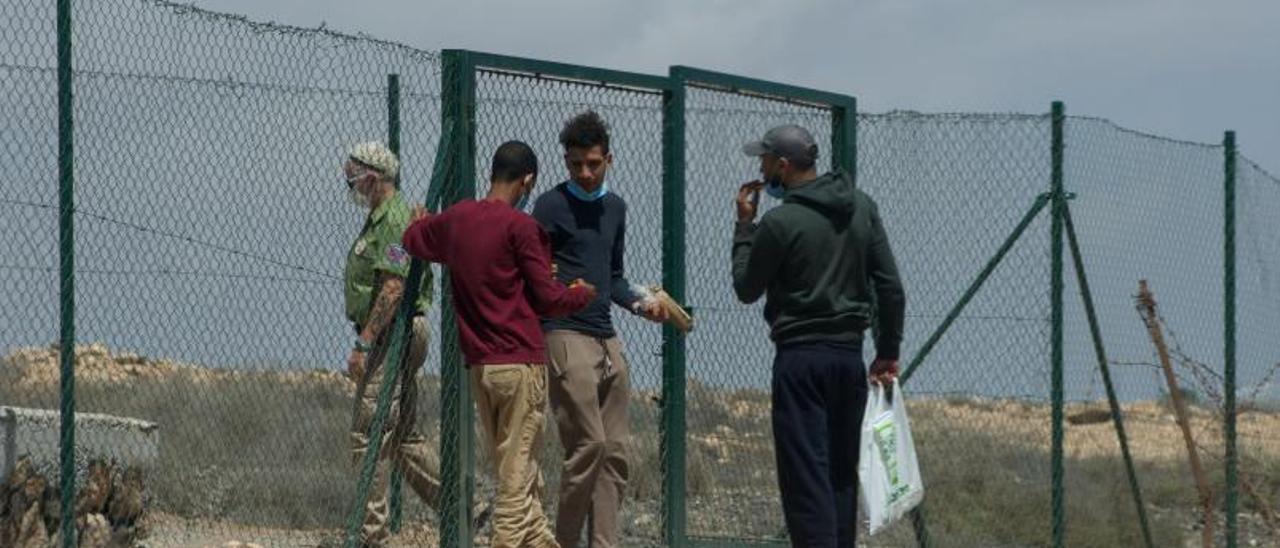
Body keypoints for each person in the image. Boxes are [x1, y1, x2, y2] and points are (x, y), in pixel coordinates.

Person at [402, 140, 596, 548]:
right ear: (527, 180)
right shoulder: (522, 228)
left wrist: (420, 222)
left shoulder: (457, 219)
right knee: (514, 480)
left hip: (482, 368)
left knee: (523, 475)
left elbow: (414, 238)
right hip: (521, 365)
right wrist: (580, 292)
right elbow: (548, 298)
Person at [732, 125, 906, 548]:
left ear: (783, 165)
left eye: (765, 160)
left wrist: (743, 228)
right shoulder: (861, 208)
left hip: (800, 361)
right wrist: (886, 352)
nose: (761, 167)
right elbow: (891, 288)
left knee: (806, 481)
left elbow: (746, 288)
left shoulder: (780, 222)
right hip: (849, 359)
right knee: (841, 477)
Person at [530, 110, 667, 547]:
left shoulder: (616, 208)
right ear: (565, 162)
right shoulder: (549, 206)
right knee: (587, 446)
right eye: (575, 164)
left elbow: (615, 276)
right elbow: (535, 274)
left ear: (609, 158)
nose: (585, 173)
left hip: (606, 335)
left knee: (615, 453)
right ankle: (564, 541)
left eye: (593, 163)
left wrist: (641, 303)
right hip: (564, 332)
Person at [341, 141, 442, 547]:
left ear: (373, 175)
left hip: (392, 332)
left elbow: (394, 285)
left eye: (355, 170)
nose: (349, 178)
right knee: (401, 436)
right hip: (393, 332)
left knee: (368, 433)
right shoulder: (381, 218)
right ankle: (465, 509)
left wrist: (365, 344)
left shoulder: (394, 218)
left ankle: (372, 536)